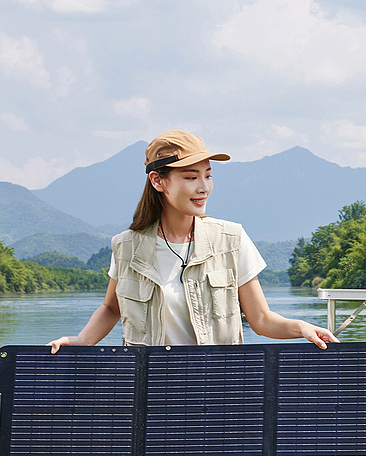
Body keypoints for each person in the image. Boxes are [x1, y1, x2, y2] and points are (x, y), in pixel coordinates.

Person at [50, 130, 338, 352]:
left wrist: (301, 327)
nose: (204, 187)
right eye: (191, 177)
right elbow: (112, 308)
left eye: (208, 176)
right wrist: (82, 340)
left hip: (216, 389)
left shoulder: (231, 239)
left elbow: (261, 319)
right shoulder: (127, 246)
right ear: (158, 181)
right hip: (148, 389)